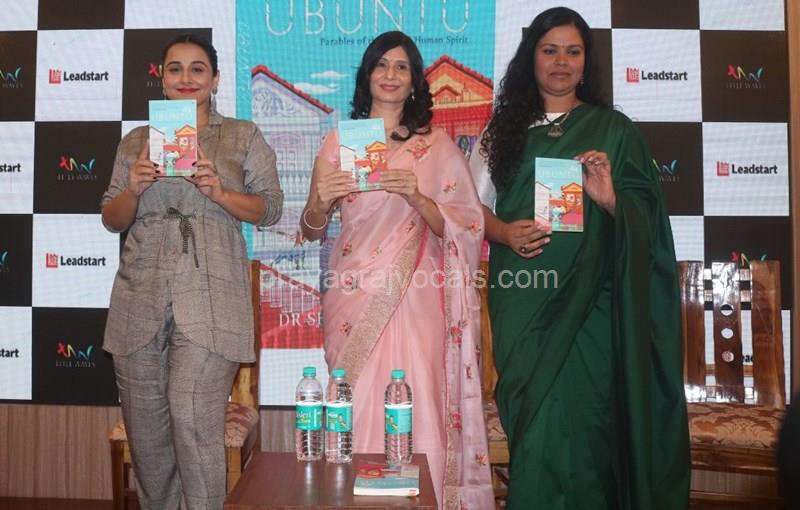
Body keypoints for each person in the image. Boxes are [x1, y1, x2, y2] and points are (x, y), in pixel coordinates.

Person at [470, 7, 690, 509]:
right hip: (525, 296)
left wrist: (611, 200)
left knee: (587, 424)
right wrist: (504, 232)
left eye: (573, 51)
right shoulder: (501, 131)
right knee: (537, 418)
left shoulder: (614, 130)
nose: (561, 62)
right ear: (531, 58)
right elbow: (468, 205)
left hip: (593, 305)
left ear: (586, 61)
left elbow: (648, 217)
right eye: (550, 50)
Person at [300, 31, 493, 509]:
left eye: (401, 67)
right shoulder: (340, 141)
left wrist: (417, 197)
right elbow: (310, 228)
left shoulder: (435, 146)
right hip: (352, 291)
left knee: (417, 392)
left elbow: (466, 224)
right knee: (356, 397)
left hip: (416, 294)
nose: (390, 74)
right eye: (381, 65)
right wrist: (321, 201)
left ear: (414, 81)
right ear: (367, 76)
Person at [101, 33, 283, 510]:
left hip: (212, 296)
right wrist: (134, 189)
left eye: (198, 68)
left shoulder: (242, 135)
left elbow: (270, 209)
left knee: (192, 414)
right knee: (147, 436)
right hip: (139, 295)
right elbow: (112, 218)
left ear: (215, 79)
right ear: (162, 79)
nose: (186, 78)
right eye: (175, 69)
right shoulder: (137, 141)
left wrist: (220, 192)